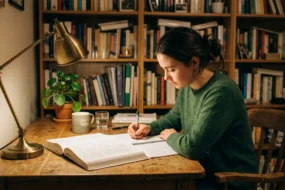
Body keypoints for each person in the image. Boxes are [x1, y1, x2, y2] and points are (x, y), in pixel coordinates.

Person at [128, 27, 257, 190]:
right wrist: (149, 128)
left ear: (194, 63)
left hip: (227, 180)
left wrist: (170, 136)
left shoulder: (221, 92)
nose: (166, 77)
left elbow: (192, 148)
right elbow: (174, 118)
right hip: (203, 169)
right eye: (164, 70)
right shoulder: (187, 86)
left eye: (172, 69)